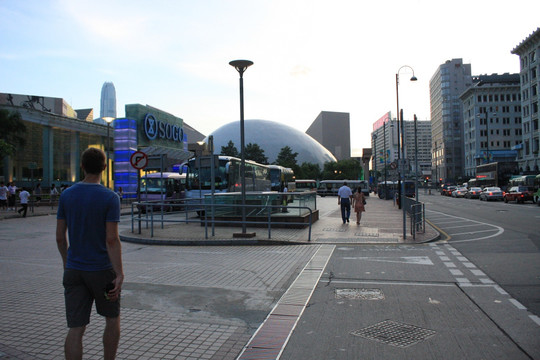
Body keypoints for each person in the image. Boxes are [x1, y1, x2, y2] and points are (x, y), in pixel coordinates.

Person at [56, 147, 123, 360]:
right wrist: (119, 273)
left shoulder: (66, 195)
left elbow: (59, 237)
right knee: (112, 319)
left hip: (74, 270)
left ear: (82, 166)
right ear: (104, 168)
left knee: (76, 328)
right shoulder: (110, 198)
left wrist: (68, 263)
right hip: (102, 271)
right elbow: (111, 239)